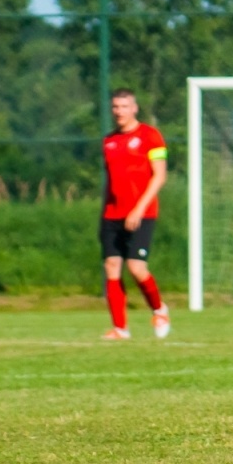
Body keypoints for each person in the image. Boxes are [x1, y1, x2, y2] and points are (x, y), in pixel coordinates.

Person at [99, 89, 169, 340]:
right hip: (111, 214)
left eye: (124, 106)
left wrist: (138, 209)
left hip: (143, 212)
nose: (119, 111)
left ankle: (159, 310)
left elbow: (160, 176)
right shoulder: (108, 141)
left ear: (134, 108)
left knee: (137, 267)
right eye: (115, 107)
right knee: (112, 265)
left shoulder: (151, 136)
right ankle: (120, 329)